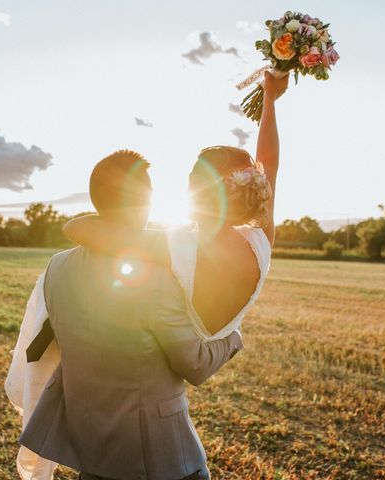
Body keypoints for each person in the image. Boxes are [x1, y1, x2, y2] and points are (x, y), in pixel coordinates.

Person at [6, 150, 243, 480]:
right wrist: (234, 334)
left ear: (97, 199)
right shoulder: (155, 275)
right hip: (164, 461)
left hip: (92, 458)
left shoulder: (56, 268)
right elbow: (196, 363)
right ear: (144, 203)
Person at [63, 71, 288, 340]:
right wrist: (270, 100)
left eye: (193, 178)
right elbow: (269, 162)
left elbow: (76, 229)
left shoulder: (181, 247)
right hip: (214, 345)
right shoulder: (260, 240)